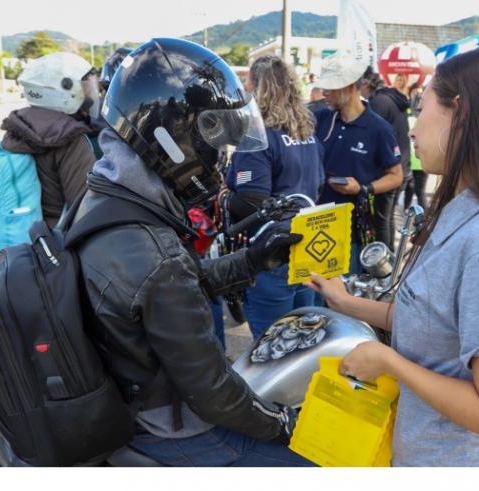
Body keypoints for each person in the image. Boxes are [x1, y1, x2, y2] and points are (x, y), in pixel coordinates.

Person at [306, 46, 479, 467]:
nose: (413, 129)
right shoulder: (462, 210)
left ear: (459, 113)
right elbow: (434, 321)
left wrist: (390, 361)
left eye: (421, 109)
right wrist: (346, 302)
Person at [77, 38, 315, 467]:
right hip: (170, 425)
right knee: (323, 455)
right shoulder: (151, 252)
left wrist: (254, 260)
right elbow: (214, 395)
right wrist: (287, 423)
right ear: (171, 140)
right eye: (213, 140)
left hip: (131, 396)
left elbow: (176, 287)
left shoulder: (104, 197)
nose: (220, 157)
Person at [224, 55, 324, 339]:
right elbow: (317, 184)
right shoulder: (307, 132)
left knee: (272, 352)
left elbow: (253, 202)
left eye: (248, 81)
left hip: (272, 256)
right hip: (307, 250)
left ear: (259, 87)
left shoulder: (258, 137)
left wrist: (222, 196)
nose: (243, 86)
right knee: (305, 345)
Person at [312, 51, 403, 274]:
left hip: (351, 232)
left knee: (342, 299)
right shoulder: (321, 118)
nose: (325, 93)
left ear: (350, 87)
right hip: (314, 225)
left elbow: (396, 176)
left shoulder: (379, 129)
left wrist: (363, 189)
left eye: (331, 87)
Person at [1, 52, 100, 227]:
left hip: (23, 237)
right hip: (56, 241)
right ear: (64, 91)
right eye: (85, 88)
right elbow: (87, 208)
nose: (90, 97)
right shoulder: (70, 138)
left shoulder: (18, 127)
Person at [361, 66, 412, 251]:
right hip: (403, 167)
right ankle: (387, 257)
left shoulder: (379, 102)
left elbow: (372, 139)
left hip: (390, 171)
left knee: (381, 218)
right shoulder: (391, 97)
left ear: (365, 83)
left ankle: (382, 262)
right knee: (387, 216)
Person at [403, 82, 429, 212]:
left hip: (421, 160)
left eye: (420, 93)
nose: (417, 96)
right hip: (408, 160)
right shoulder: (405, 111)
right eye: (414, 93)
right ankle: (406, 210)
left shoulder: (427, 113)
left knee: (420, 192)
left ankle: (424, 220)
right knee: (409, 189)